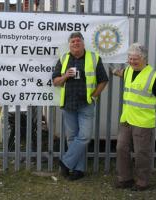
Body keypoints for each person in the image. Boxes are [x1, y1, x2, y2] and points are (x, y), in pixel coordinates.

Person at [112, 43, 156, 191]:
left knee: (142, 153)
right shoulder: (128, 71)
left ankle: (142, 182)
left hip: (143, 122)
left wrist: (153, 105)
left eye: (135, 59)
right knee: (121, 148)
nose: (132, 62)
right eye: (130, 58)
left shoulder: (153, 76)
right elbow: (123, 74)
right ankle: (125, 179)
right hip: (126, 119)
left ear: (144, 59)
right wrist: (115, 71)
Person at [52, 32, 108, 180]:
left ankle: (65, 163)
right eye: (72, 42)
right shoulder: (64, 58)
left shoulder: (94, 58)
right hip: (68, 104)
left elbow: (103, 80)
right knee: (71, 138)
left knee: (84, 136)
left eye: (78, 41)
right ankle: (78, 170)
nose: (75, 43)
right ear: (69, 45)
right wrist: (65, 76)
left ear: (83, 43)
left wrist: (94, 95)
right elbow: (55, 81)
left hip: (86, 104)